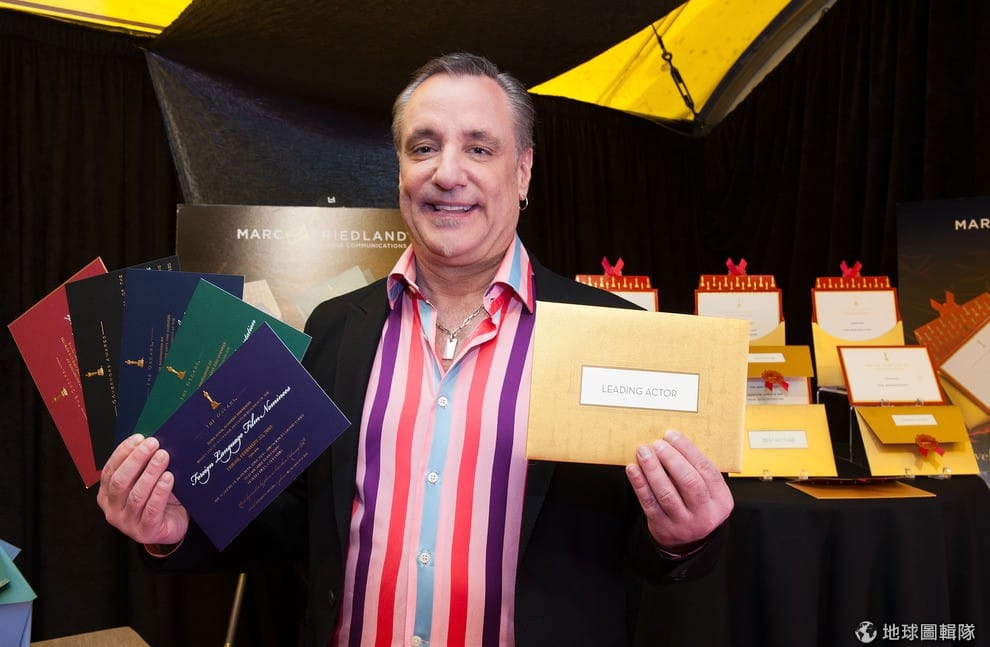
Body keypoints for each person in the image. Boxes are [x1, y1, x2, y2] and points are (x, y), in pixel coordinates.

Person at [97, 52, 734, 646]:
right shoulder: (337, 327)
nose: (446, 173)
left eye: (478, 148)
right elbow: (297, 517)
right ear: (400, 170)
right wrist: (176, 529)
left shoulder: (612, 334)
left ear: (522, 171)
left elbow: (648, 551)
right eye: (423, 147)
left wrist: (680, 539)